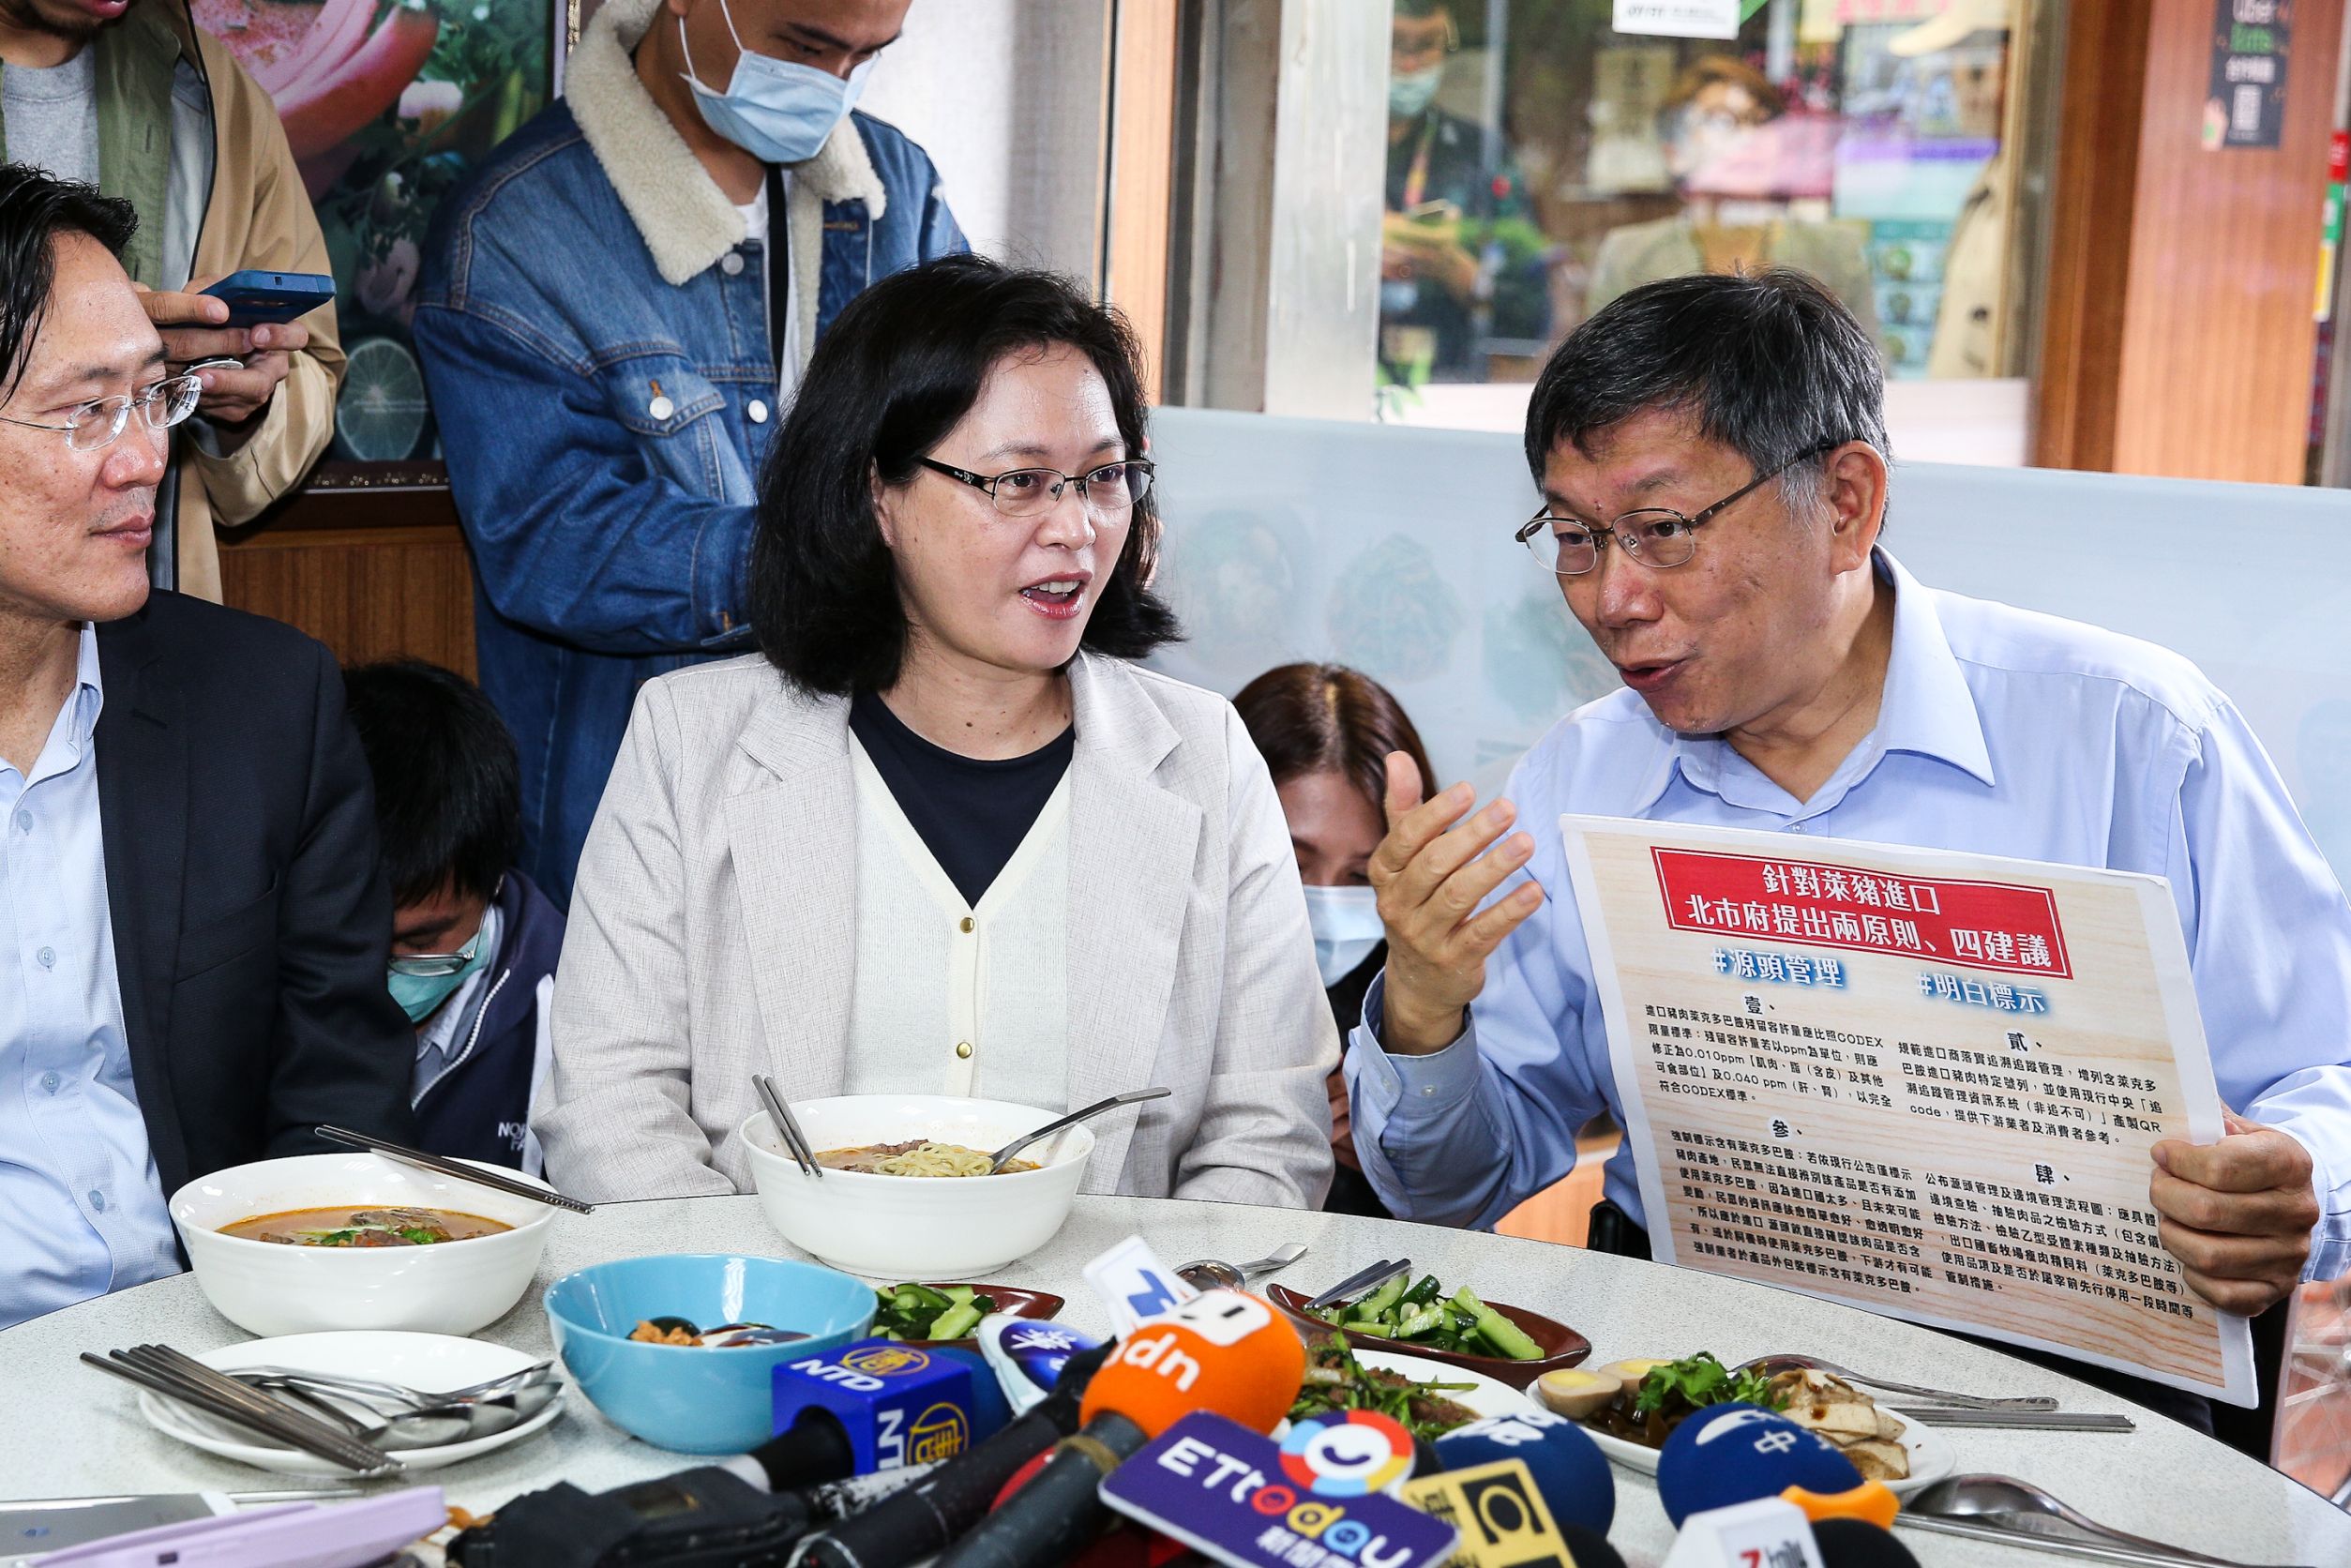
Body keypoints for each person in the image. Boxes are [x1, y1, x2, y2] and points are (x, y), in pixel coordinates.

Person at [1348, 269, 2351, 1429]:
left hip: (2079, 1407)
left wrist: (2292, 1175)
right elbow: (1452, 1187)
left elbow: (2326, 1067)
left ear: (1845, 503)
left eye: (1660, 530)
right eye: (1573, 537)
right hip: (1689, 1398)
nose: (1610, 596)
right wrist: (1424, 1010)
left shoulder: (2126, 735)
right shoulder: (1583, 777)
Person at [535, 255, 1336, 1207]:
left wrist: (1125, 1340)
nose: (1074, 529)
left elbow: (1265, 1138)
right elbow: (608, 1108)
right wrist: (768, 1319)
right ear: (878, 493)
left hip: (1098, 1338)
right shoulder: (691, 740)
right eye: (1017, 482)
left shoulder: (1204, 759)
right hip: (771, 1326)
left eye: (1102, 478)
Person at [414, 0, 965, 906]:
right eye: (804, 45)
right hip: (642, 834)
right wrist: (836, 556)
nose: (830, 88)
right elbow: (553, 544)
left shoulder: (895, 192)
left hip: (874, 807)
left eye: (867, 57)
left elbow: (974, 426)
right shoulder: (517, 230)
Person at [0, 168, 410, 1331]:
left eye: (154, 397)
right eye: (86, 411)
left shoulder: (261, 706)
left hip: (218, 1346)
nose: (143, 460)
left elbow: (340, 1114)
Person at [0, 0, 342, 601]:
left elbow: (312, 370)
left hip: (143, 625)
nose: (143, 462)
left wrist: (241, 410)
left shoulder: (217, 99)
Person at [343, 659, 565, 1175]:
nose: (391, 975)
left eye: (424, 942)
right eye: (359, 940)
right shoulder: (251, 980)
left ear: (493, 879)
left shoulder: (574, 1010)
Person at [1234, 663, 1435, 1219]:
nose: (1321, 900)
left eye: (1359, 878)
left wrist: (1394, 1153)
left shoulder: (1430, 989)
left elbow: (1466, 1194)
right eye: (1292, 864)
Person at [1586, 56, 1876, 336]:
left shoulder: (1837, 254)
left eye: (1761, 121)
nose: (1750, 137)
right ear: (1674, 152)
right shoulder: (1629, 255)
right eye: (1722, 121)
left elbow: (1873, 375)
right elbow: (1594, 374)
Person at [1379, 0, 1549, 385]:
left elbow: (1529, 320)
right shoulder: (1320, 146)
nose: (1409, 64)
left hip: (1449, 383)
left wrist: (1452, 266)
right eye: (1394, 43)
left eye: (1425, 46)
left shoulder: (1479, 153)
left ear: (1446, 47)